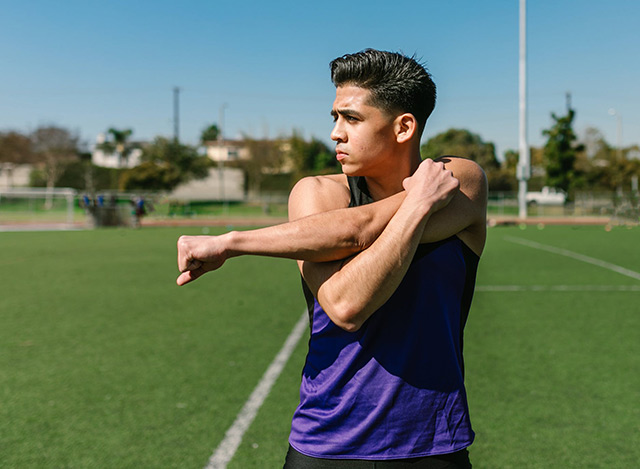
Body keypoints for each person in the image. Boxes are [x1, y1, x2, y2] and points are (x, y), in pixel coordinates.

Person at [177, 49, 487, 468]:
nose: (335, 133)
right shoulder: (318, 193)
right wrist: (417, 205)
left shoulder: (460, 180)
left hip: (433, 442)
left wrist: (231, 242)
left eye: (352, 118)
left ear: (404, 127)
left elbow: (355, 232)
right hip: (328, 444)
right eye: (334, 117)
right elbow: (346, 304)